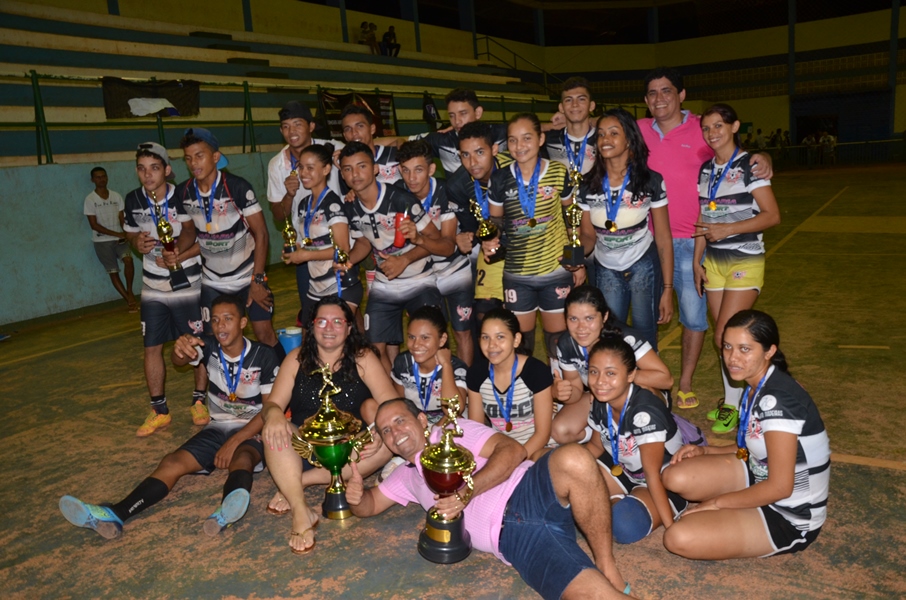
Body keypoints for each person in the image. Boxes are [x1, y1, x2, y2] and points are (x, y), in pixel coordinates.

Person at [346, 398, 629, 600]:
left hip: (530, 489)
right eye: (386, 430)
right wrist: (356, 496)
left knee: (574, 457)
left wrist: (467, 491)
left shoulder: (454, 431)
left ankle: (606, 564)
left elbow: (513, 450)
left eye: (399, 421)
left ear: (421, 420)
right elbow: (371, 505)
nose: (395, 432)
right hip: (517, 540)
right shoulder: (406, 475)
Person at [59, 294, 280, 539]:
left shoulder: (264, 356)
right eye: (216, 320)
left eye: (228, 319)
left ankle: (225, 513)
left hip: (253, 428)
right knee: (172, 462)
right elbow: (180, 360)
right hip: (218, 427)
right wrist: (180, 349)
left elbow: (269, 411)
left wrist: (234, 441)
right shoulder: (208, 346)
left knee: (242, 458)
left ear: (242, 323)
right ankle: (116, 513)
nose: (221, 326)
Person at [638, 67, 773, 414]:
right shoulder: (639, 130)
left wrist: (763, 158)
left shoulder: (702, 126)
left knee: (707, 326)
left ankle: (690, 386)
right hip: (654, 242)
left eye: (667, 90)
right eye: (652, 93)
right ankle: (653, 384)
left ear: (681, 95)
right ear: (645, 100)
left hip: (705, 246)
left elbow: (739, 158)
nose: (659, 98)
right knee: (651, 318)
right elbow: (598, 129)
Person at [662, 310, 829, 559]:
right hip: (759, 474)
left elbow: (780, 488)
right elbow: (755, 445)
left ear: (769, 351)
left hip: (789, 513)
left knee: (678, 537)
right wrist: (705, 450)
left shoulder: (777, 402)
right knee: (674, 476)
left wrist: (717, 502)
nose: (732, 358)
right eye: (727, 347)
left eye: (745, 349)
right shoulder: (756, 386)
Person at [260, 296, 397, 554]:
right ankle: (301, 510)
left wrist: (380, 431)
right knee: (273, 430)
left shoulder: (363, 358)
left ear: (349, 327)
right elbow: (271, 405)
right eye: (322, 321)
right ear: (312, 327)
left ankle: (297, 484)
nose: (329, 328)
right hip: (302, 450)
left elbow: (391, 406)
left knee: (389, 443)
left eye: (337, 322)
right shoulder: (296, 359)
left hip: (350, 452)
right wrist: (274, 413)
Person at [694, 103, 781, 433]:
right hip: (714, 261)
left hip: (744, 258)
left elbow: (772, 215)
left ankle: (743, 404)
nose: (712, 133)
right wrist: (697, 261)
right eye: (706, 128)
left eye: (718, 125)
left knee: (724, 335)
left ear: (734, 127)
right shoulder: (706, 170)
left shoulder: (750, 165)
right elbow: (703, 217)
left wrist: (728, 229)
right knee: (725, 341)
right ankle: (735, 402)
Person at [175, 128, 281, 373]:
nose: (193, 163)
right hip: (213, 282)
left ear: (215, 157)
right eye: (188, 158)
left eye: (199, 156)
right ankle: (224, 387)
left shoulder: (237, 187)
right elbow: (189, 232)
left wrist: (258, 280)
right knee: (213, 339)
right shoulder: (184, 192)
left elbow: (262, 234)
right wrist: (176, 252)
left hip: (246, 277)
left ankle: (286, 384)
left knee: (264, 333)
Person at [123, 142, 206, 436]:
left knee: (195, 342)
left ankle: (200, 401)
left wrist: (177, 253)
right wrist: (136, 242)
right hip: (152, 286)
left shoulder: (183, 196)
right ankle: (159, 410)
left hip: (187, 283)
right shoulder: (132, 199)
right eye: (142, 169)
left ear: (167, 170)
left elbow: (192, 231)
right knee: (152, 347)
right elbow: (130, 233)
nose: (148, 175)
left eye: (154, 168)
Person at [339, 142, 443, 372]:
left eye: (361, 166)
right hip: (384, 284)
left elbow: (436, 241)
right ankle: (393, 389)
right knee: (374, 350)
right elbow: (364, 242)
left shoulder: (401, 199)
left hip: (420, 280)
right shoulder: (351, 206)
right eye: (347, 169)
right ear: (342, 175)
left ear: (375, 169)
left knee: (431, 343)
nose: (355, 174)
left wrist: (405, 260)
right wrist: (349, 260)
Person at [483, 113, 577, 361]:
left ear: (540, 139)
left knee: (557, 340)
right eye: (512, 140)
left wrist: (576, 260)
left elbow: (572, 217)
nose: (519, 146)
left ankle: (559, 384)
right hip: (517, 274)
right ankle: (526, 384)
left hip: (556, 270)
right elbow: (495, 221)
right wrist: (488, 239)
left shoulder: (558, 172)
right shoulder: (499, 178)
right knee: (520, 342)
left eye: (526, 138)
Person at [580, 108, 674, 352]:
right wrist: (575, 255)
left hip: (643, 264)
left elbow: (664, 237)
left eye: (614, 133)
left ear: (630, 140)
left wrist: (667, 289)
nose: (605, 139)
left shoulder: (650, 181)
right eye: (601, 134)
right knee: (610, 333)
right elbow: (587, 235)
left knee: (645, 333)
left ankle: (651, 378)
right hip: (606, 267)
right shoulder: (587, 185)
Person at [584, 335, 690, 544]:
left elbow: (652, 474)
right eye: (594, 372)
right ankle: (613, 500)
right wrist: (563, 467)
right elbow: (595, 446)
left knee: (623, 526)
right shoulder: (601, 400)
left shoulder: (644, 413)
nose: (600, 381)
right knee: (565, 488)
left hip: (660, 481)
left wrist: (670, 528)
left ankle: (613, 503)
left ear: (631, 375)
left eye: (611, 373)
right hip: (622, 468)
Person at [551, 285, 674, 445]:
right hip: (600, 395)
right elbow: (576, 390)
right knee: (560, 431)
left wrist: (617, 377)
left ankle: (640, 433)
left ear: (604, 316)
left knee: (637, 391)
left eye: (589, 318)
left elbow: (666, 380)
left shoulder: (625, 337)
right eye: (573, 319)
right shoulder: (567, 343)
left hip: (640, 394)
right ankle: (607, 436)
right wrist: (562, 392)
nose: (581, 327)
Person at [397, 139, 472, 364]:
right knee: (430, 334)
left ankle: (464, 381)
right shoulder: (396, 193)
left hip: (454, 269)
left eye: (418, 170)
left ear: (431, 169)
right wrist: (352, 193)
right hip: (422, 275)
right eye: (406, 170)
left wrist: (420, 239)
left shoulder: (446, 191)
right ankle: (438, 379)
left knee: (461, 332)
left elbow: (447, 246)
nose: (411, 178)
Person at [266, 101, 344, 311]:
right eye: (285, 126)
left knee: (346, 309)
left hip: (339, 245)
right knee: (311, 312)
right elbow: (278, 216)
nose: (291, 131)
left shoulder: (335, 149)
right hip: (305, 248)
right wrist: (289, 195)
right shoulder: (277, 165)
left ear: (311, 126)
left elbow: (365, 155)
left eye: (297, 124)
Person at [281, 143, 362, 322]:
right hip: (316, 286)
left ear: (326, 169)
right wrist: (295, 249)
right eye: (301, 167)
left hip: (338, 285)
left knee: (341, 336)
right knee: (308, 334)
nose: (303, 173)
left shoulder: (333, 205)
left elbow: (343, 249)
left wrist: (305, 255)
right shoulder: (304, 204)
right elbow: (311, 241)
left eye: (310, 168)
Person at [467, 308, 554, 461]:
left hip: (536, 449)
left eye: (500, 337)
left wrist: (514, 461)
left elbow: (542, 434)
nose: (491, 345)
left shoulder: (536, 371)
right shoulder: (477, 373)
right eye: (485, 337)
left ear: (516, 339)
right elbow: (477, 428)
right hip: (501, 450)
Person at [391, 305, 469, 425]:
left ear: (442, 340)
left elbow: (453, 411)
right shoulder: (403, 362)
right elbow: (400, 405)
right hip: (417, 423)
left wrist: (446, 366)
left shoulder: (456, 367)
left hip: (447, 425)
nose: (416, 345)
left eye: (425, 338)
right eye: (411, 337)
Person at [84, 166, 137, 312]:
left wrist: (126, 233)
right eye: (98, 177)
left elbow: (122, 219)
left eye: (103, 176)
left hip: (120, 240)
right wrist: (118, 234)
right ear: (93, 180)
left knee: (129, 260)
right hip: (102, 242)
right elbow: (94, 225)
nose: (101, 179)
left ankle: (130, 291)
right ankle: (129, 300)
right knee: (113, 271)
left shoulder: (116, 196)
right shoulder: (90, 200)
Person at [340, 104, 401, 185]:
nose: (354, 133)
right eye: (348, 129)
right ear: (345, 136)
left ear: (372, 129)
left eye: (360, 126)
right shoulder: (343, 165)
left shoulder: (396, 153)